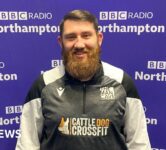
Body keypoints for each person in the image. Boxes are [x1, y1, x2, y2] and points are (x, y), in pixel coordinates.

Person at [15, 9, 151, 150]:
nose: (79, 44)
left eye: (86, 36)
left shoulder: (122, 82)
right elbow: (26, 145)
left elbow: (139, 144)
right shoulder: (43, 85)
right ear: (60, 42)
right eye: (71, 37)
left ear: (99, 39)